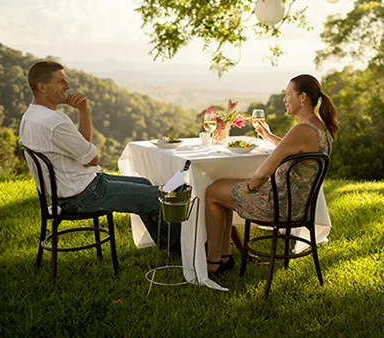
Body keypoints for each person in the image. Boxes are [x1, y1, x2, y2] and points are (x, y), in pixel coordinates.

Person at [18, 60, 177, 251]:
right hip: (82, 195)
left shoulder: (30, 116)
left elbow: (83, 148)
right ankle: (184, 252)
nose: (67, 87)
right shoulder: (55, 122)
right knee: (162, 196)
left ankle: (169, 247)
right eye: (61, 82)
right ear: (43, 87)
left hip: (64, 192)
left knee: (143, 184)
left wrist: (84, 111)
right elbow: (92, 159)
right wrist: (88, 152)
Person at [203, 74, 338, 276]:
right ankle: (224, 256)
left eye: (287, 94)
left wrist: (248, 187)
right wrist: (267, 135)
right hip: (298, 207)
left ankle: (213, 262)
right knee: (224, 188)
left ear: (302, 98)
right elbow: (290, 148)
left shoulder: (300, 130)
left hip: (277, 206)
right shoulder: (320, 128)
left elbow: (263, 173)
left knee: (213, 191)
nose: (284, 99)